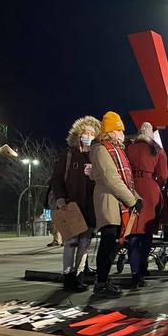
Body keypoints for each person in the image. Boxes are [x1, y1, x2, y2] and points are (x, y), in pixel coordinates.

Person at [90, 111, 141, 298]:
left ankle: (103, 280)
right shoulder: (101, 149)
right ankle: (101, 282)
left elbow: (126, 180)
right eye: (119, 129)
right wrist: (132, 200)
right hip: (109, 201)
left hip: (119, 202)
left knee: (114, 243)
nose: (122, 133)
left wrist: (136, 197)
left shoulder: (117, 150)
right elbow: (111, 179)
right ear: (111, 131)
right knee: (108, 242)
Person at [51, 115, 100, 292]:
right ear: (79, 135)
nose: (88, 135)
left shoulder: (96, 156)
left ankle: (79, 275)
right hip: (72, 205)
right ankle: (68, 276)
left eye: (92, 133)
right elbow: (56, 179)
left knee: (84, 244)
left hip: (90, 207)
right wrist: (60, 198)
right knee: (71, 243)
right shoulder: (69, 154)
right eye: (85, 132)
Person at [126, 122, 168, 289]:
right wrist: (154, 182)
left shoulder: (128, 147)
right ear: (151, 133)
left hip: (130, 190)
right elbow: (163, 175)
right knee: (146, 233)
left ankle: (135, 272)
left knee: (133, 233)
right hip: (150, 191)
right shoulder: (157, 150)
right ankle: (142, 267)